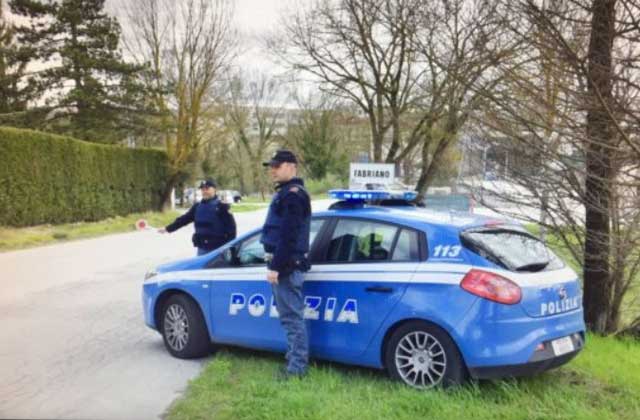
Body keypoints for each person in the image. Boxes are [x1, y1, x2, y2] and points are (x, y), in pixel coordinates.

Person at [260, 150, 312, 379]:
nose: (272, 170)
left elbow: (289, 235)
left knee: (292, 320)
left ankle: (296, 370)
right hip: (285, 265)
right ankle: (293, 362)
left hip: (287, 267)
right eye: (271, 166)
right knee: (289, 319)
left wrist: (276, 267)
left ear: (291, 167)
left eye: (277, 166)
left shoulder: (293, 195)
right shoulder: (286, 193)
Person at [159, 178, 237, 256]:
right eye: (202, 189)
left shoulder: (222, 207)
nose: (204, 191)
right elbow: (184, 220)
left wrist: (230, 249)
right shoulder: (197, 207)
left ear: (214, 189)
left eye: (207, 189)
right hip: (202, 249)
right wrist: (168, 228)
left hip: (219, 250)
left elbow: (232, 230)